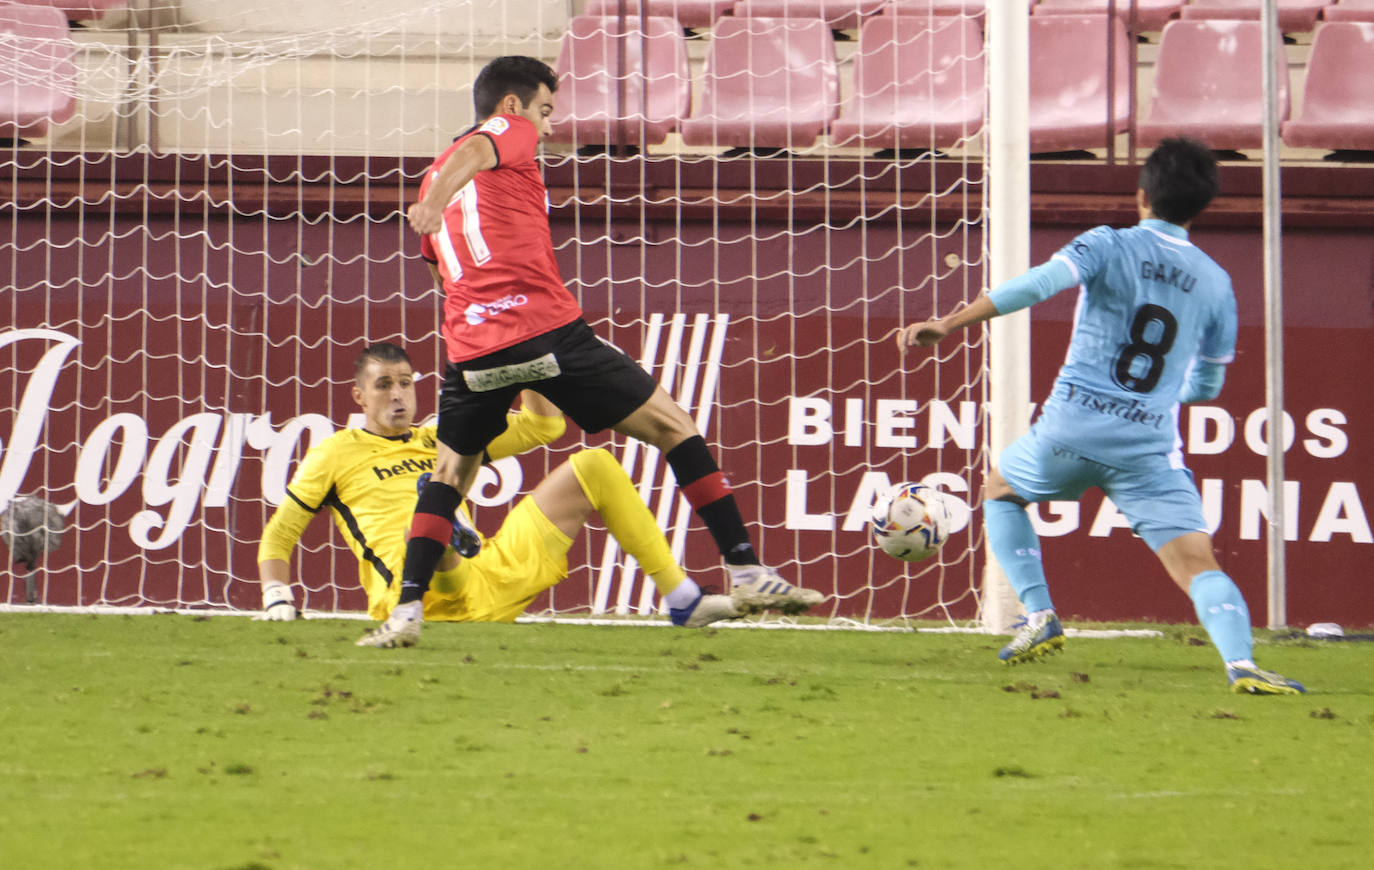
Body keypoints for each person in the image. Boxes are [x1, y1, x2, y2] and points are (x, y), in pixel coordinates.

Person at [368, 55, 821, 646]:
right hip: (546, 329)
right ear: (513, 107)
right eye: (546, 110)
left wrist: (436, 216)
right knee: (673, 426)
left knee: (449, 473)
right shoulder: (507, 134)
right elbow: (478, 151)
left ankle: (405, 613)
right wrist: (437, 208)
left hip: (472, 348)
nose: (549, 127)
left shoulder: (430, 178)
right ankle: (745, 568)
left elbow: (443, 279)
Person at [896, 138, 1304, 696]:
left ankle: (1039, 616)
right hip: (1146, 447)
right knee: (1195, 562)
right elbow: (1207, 387)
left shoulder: (1107, 244)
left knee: (999, 489)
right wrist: (1159, 398)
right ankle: (1241, 664)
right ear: (1201, 206)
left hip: (1071, 428)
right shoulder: (1216, 284)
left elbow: (1037, 285)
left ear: (1141, 196)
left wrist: (950, 322)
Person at [257, 343, 742, 637]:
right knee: (424, 519)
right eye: (383, 385)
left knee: (595, 465)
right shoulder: (336, 452)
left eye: (405, 382)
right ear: (359, 396)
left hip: (490, 577)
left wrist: (525, 356)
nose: (398, 394)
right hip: (421, 598)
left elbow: (542, 426)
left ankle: (683, 600)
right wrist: (277, 595)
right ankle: (443, 534)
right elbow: (279, 536)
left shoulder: (440, 439)